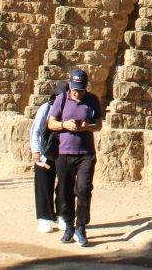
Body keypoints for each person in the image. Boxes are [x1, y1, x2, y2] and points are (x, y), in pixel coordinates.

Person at [47, 69, 103, 247]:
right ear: (69, 85)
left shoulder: (93, 100)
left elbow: (98, 125)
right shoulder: (61, 99)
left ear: (86, 87)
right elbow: (50, 123)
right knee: (65, 191)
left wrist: (87, 127)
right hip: (64, 153)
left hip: (86, 153)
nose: (76, 92)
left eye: (80, 89)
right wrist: (65, 124)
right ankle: (69, 227)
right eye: (74, 88)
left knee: (84, 189)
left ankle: (81, 227)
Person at [31, 80, 69, 233]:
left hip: (64, 152)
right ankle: (44, 218)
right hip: (45, 152)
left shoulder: (70, 110)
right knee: (43, 185)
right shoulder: (46, 108)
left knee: (65, 186)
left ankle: (62, 216)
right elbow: (36, 130)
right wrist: (35, 151)